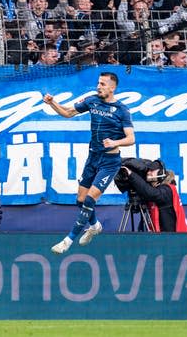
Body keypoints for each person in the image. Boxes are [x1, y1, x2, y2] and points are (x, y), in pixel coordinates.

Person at [44, 71, 135, 254]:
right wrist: (52, 103)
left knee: (89, 199)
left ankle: (67, 241)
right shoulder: (92, 101)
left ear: (112, 87)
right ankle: (94, 225)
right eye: (98, 83)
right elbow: (68, 113)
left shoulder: (122, 110)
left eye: (102, 84)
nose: (98, 86)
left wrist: (115, 142)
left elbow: (131, 138)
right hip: (93, 157)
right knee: (80, 200)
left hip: (109, 162)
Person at [119, 159, 187, 232]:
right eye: (148, 171)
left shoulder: (168, 189)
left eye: (152, 170)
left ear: (160, 172)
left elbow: (152, 194)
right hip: (163, 238)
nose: (149, 173)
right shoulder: (155, 188)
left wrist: (131, 174)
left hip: (174, 239)